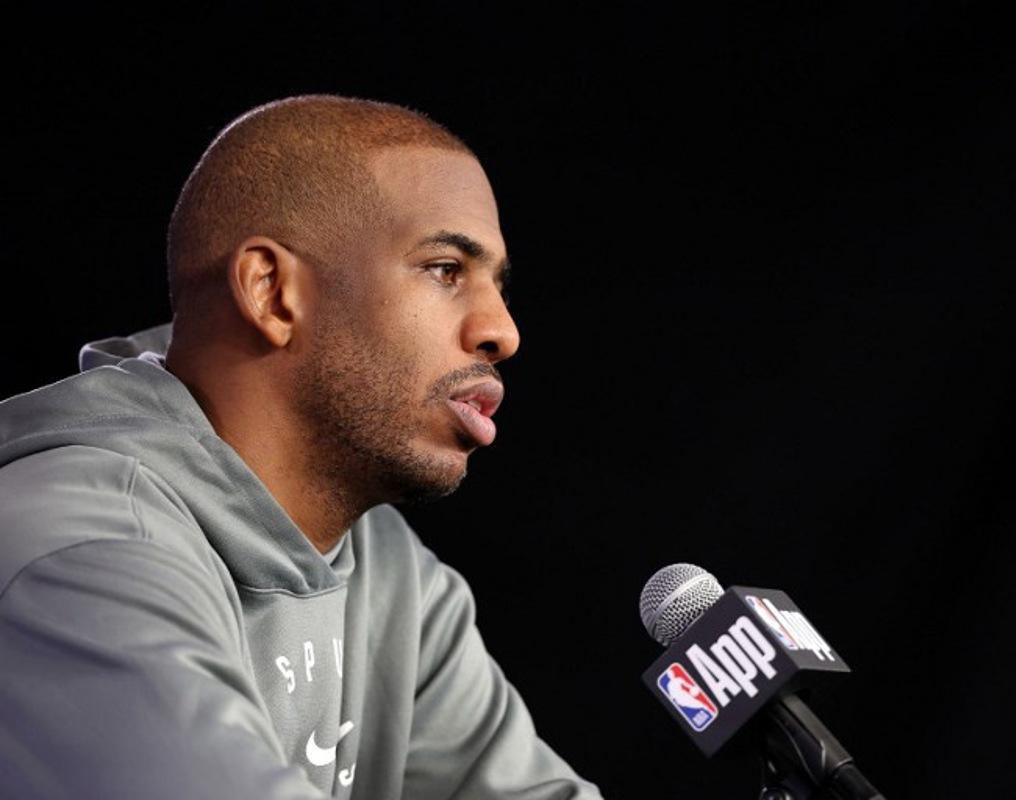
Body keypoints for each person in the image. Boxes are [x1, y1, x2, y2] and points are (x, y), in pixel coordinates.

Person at [0, 95, 603, 799]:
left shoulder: (391, 579)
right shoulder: (79, 549)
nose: (503, 331)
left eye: (496, 284)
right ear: (273, 292)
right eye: (445, 269)